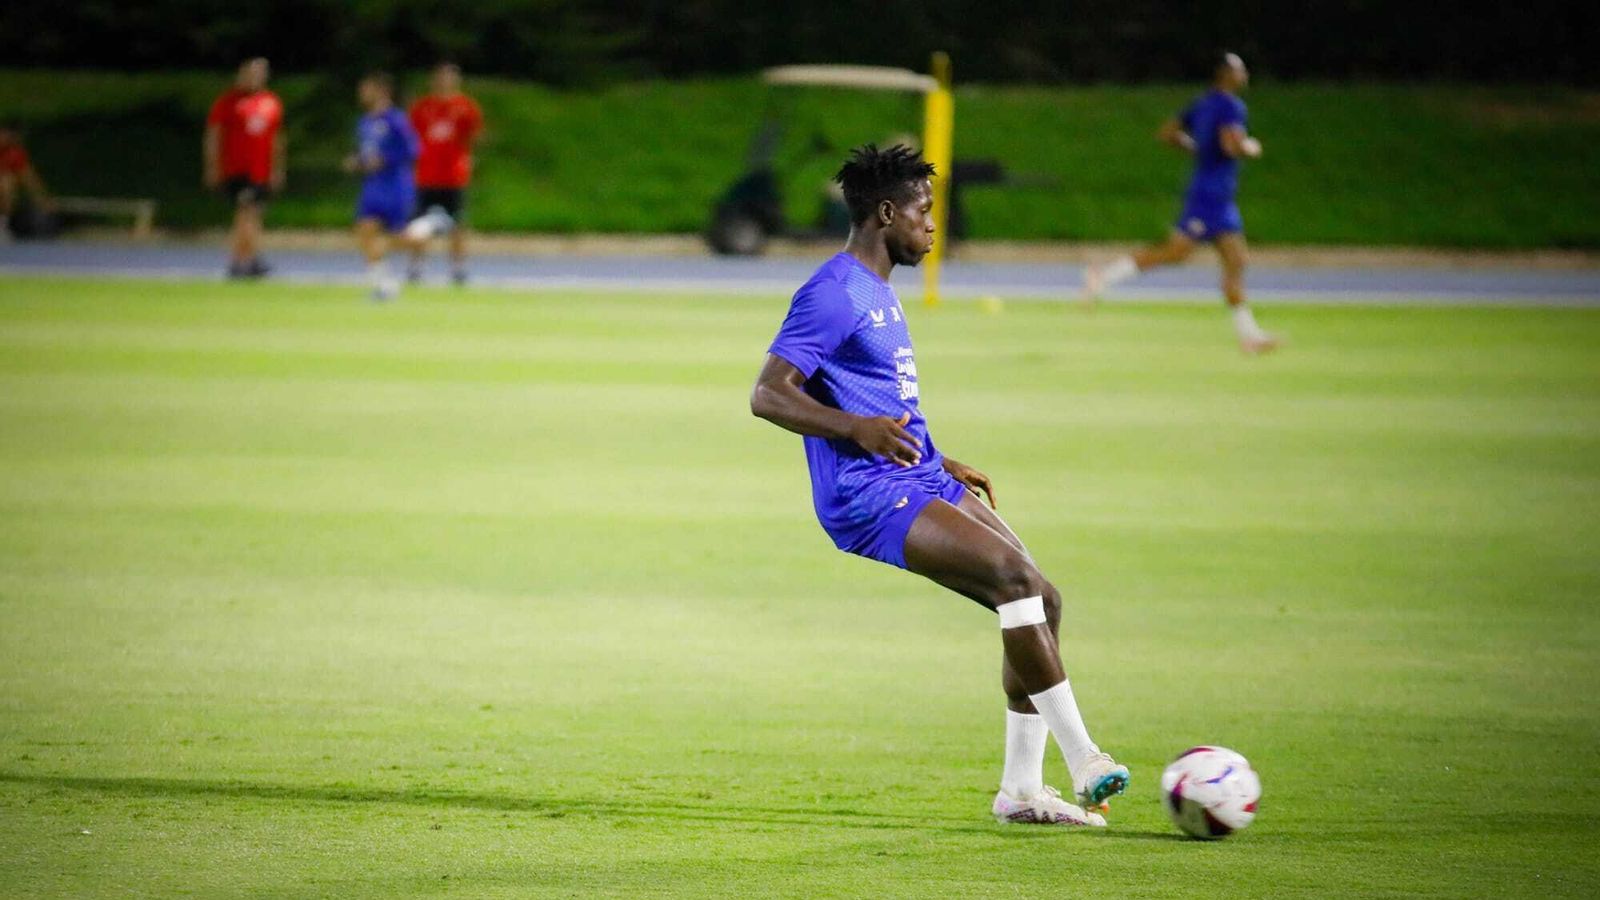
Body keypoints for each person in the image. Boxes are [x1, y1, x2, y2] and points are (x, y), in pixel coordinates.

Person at [750, 145, 1128, 827]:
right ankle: (1087, 760)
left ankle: (1020, 791)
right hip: (866, 492)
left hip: (915, 471)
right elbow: (768, 395)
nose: (933, 225)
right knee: (1013, 579)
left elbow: (881, 395)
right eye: (925, 211)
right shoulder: (832, 292)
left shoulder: (879, 290)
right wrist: (855, 428)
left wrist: (939, 456)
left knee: (1040, 597)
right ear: (887, 212)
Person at [1083, 53, 1277, 354]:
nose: (1245, 75)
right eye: (1241, 70)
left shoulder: (1201, 103)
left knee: (1236, 262)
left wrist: (1198, 149)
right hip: (1210, 196)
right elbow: (1231, 145)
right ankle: (1104, 276)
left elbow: (1167, 134)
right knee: (1176, 253)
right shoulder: (1231, 106)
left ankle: (1249, 335)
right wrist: (1251, 147)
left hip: (1218, 197)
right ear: (1226, 74)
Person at [404, 63, 484, 285]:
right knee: (419, 224)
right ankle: (416, 267)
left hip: (453, 176)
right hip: (427, 175)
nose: (444, 81)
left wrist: (465, 158)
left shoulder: (465, 107)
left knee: (457, 223)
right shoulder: (422, 107)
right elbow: (411, 138)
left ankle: (458, 268)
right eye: (441, 77)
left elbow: (474, 134)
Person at [204, 58, 284, 278]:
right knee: (245, 212)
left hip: (261, 170)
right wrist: (213, 166)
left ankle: (247, 260)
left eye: (261, 74)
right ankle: (241, 260)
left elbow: (277, 139)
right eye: (252, 73)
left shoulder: (271, 102)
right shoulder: (228, 102)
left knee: (253, 214)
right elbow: (214, 136)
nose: (256, 78)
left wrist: (277, 168)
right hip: (236, 169)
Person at [344, 72, 421, 301]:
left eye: (367, 88)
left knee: (400, 237)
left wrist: (385, 159)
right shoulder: (365, 122)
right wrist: (357, 162)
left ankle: (428, 231)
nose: (362, 93)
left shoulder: (396, 120)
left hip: (395, 186)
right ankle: (384, 284)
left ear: (381, 91)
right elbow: (368, 153)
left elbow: (413, 150)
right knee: (364, 232)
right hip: (373, 186)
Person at [0, 126, 55, 242]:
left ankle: (2, 225)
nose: (6, 136)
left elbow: (30, 179)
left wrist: (43, 199)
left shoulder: (14, 153)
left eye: (8, 133)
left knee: (7, 182)